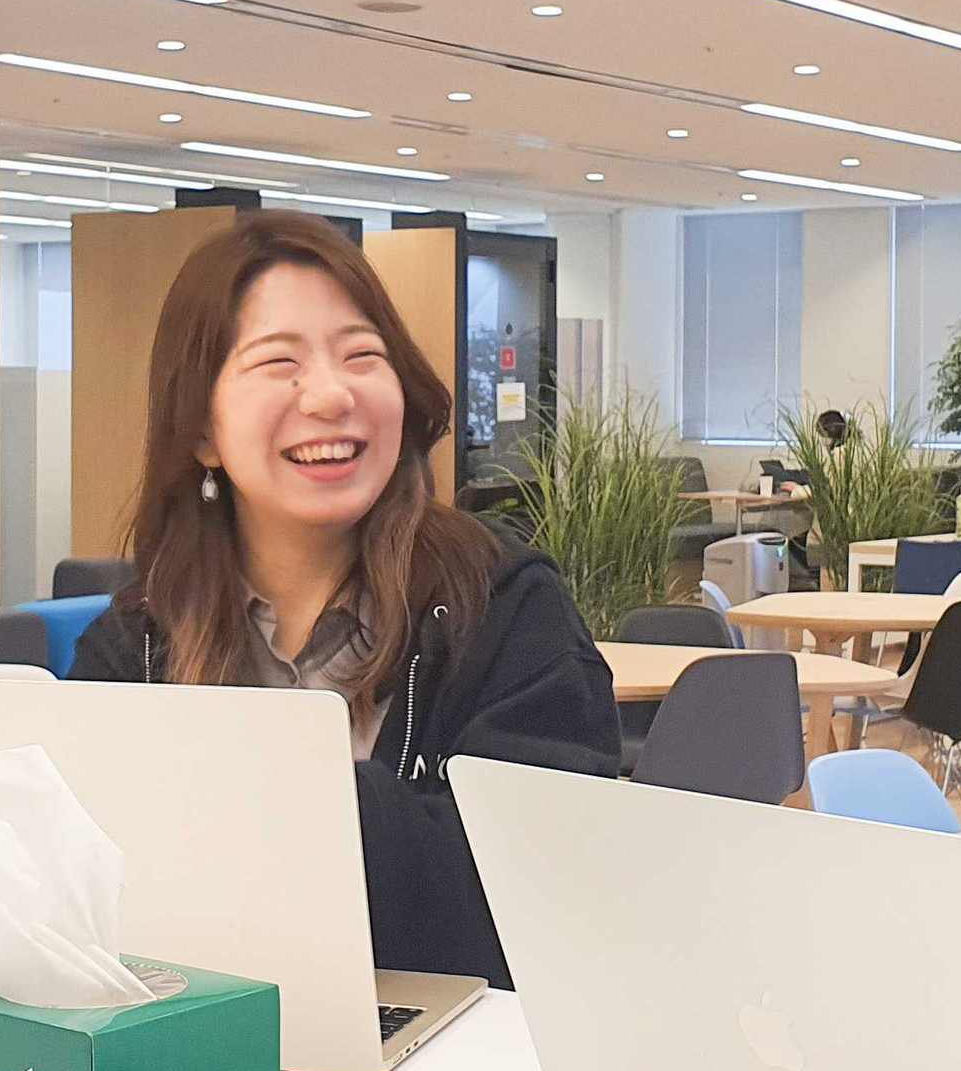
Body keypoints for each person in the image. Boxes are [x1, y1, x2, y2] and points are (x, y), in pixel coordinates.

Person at [67, 214, 619, 986]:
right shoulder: (137, 642)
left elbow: (550, 896)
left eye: (362, 355)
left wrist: (284, 796)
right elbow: (80, 903)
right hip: (195, 1039)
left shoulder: (500, 607)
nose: (330, 395)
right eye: (277, 362)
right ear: (201, 431)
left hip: (457, 1047)